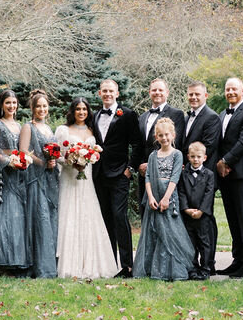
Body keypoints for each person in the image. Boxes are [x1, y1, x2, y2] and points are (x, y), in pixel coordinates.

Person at [55, 97, 118, 279]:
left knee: (88, 215)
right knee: (69, 215)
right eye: (78, 109)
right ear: (72, 111)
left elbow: (97, 154)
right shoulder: (63, 130)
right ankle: (68, 264)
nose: (81, 112)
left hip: (87, 180)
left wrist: (86, 161)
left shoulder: (93, 130)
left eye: (84, 109)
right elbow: (58, 155)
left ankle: (90, 262)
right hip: (69, 178)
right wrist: (70, 162)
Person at [133, 118, 195, 280]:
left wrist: (166, 198)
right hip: (154, 197)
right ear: (156, 137)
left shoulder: (178, 154)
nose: (164, 138)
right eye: (160, 135)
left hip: (169, 197)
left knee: (170, 232)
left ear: (173, 135)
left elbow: (175, 177)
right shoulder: (153, 156)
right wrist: (151, 197)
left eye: (167, 134)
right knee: (155, 232)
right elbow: (147, 177)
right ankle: (152, 269)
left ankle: (172, 269)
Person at [91, 79, 140, 278]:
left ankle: (127, 266)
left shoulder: (127, 115)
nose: (108, 94)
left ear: (117, 93)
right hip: (98, 174)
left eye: (111, 91)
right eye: (104, 91)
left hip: (120, 174)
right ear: (99, 93)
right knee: (106, 219)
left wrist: (130, 169)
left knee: (119, 217)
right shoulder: (94, 116)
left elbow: (137, 144)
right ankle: (111, 264)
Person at [213, 77, 243, 278]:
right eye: (228, 89)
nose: (230, 92)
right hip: (225, 175)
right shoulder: (223, 113)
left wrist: (226, 161)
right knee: (233, 218)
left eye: (234, 89)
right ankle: (238, 259)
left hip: (241, 173)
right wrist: (221, 165)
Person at [0, 89, 30, 274]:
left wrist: (23, 161)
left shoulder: (20, 126)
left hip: (18, 175)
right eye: (8, 103)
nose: (11, 106)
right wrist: (7, 161)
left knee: (16, 217)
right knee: (2, 217)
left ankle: (15, 260)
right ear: (1, 105)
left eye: (14, 103)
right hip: (2, 176)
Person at [20, 90, 59, 278]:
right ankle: (38, 266)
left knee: (50, 218)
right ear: (32, 108)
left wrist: (53, 161)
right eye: (38, 106)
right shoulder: (29, 127)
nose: (42, 109)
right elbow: (24, 151)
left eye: (44, 106)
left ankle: (50, 263)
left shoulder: (49, 128)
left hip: (50, 178)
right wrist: (43, 162)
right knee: (39, 218)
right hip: (35, 178)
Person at [135, 79, 185, 210]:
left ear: (167, 92)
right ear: (149, 92)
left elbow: (175, 143)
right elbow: (139, 145)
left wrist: (152, 165)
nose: (157, 92)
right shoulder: (142, 117)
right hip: (143, 173)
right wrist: (139, 164)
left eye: (160, 90)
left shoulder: (177, 114)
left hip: (165, 176)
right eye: (154, 90)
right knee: (145, 210)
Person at [177, 141, 216, 280]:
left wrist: (201, 211)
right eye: (193, 156)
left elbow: (209, 194)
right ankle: (192, 268)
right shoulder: (183, 174)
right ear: (188, 157)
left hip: (203, 215)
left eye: (199, 157)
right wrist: (186, 209)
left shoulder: (209, 174)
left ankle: (205, 268)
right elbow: (181, 192)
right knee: (190, 242)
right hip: (188, 215)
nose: (195, 160)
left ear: (204, 158)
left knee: (204, 242)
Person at [184, 81, 221, 169]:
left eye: (197, 94)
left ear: (205, 96)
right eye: (191, 94)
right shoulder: (186, 118)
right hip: (186, 171)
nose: (193, 97)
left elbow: (208, 147)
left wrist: (188, 164)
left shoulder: (212, 117)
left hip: (203, 173)